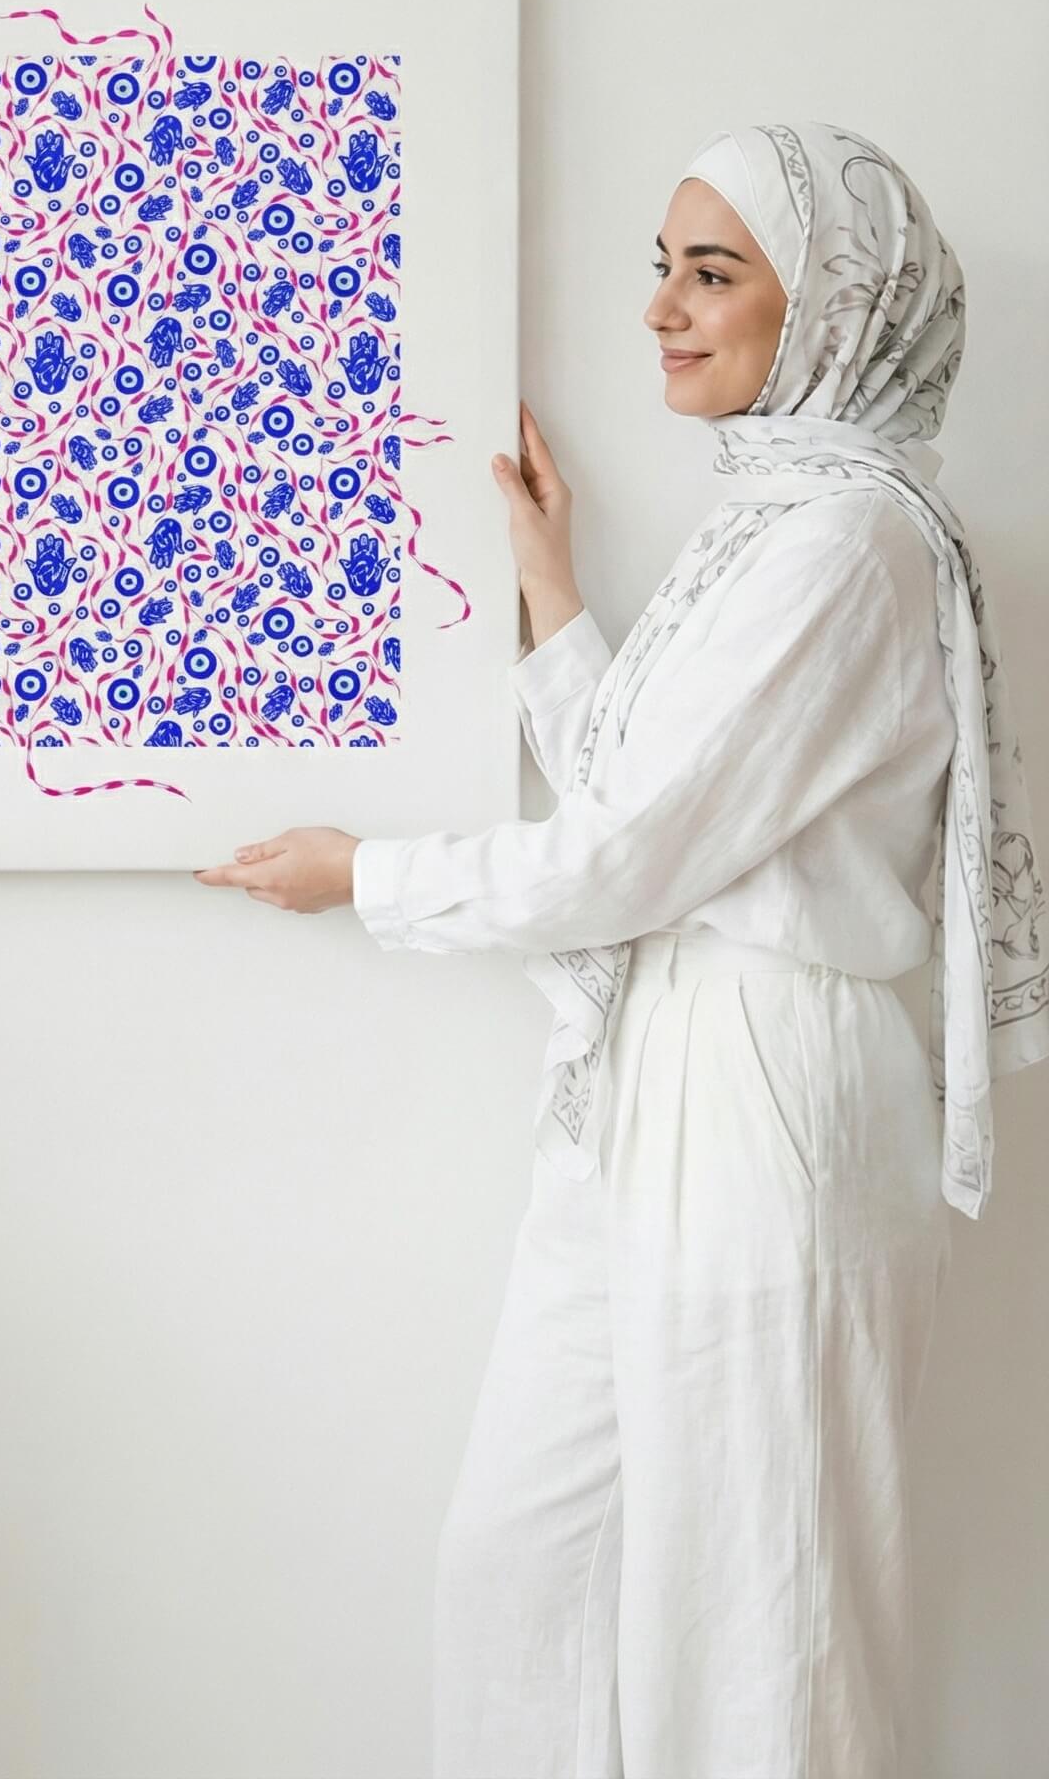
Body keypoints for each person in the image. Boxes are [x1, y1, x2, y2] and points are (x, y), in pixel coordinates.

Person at [194, 120, 1048, 1776]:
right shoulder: (768, 526)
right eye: (661, 265)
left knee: (758, 1627)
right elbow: (648, 812)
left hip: (774, 1097)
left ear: (836, 313)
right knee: (526, 1565)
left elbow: (629, 855)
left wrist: (366, 876)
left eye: (713, 272)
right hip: (648, 1083)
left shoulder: (850, 547)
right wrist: (550, 585)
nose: (663, 307)